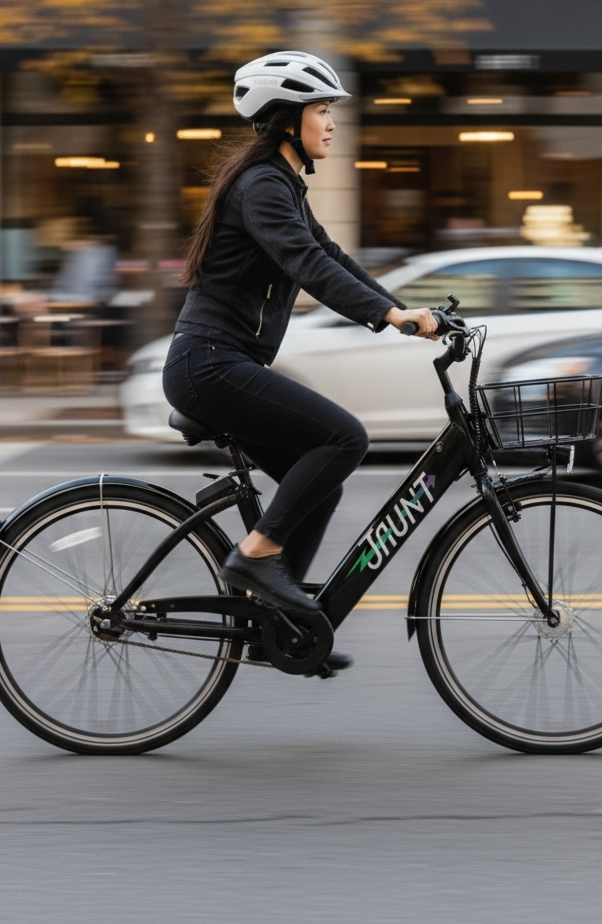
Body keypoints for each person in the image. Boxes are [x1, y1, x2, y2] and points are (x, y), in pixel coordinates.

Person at [163, 50, 438, 672]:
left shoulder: (280, 183)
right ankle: (257, 557)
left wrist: (401, 311)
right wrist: (388, 318)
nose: (332, 122)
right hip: (208, 365)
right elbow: (305, 266)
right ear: (288, 118)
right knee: (345, 438)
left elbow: (330, 254)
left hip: (221, 363)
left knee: (319, 484)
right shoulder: (262, 186)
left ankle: (280, 619)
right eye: (321, 109)